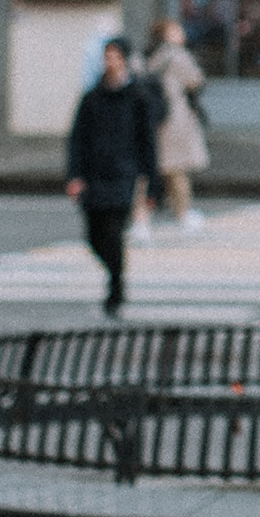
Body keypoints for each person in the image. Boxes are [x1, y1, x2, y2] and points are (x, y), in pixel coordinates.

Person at [66, 37, 158, 315]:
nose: (110, 61)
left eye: (116, 56)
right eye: (107, 56)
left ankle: (116, 287)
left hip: (123, 173)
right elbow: (77, 138)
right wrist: (75, 174)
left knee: (114, 231)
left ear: (125, 59)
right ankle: (114, 274)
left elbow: (147, 142)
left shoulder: (138, 97)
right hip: (94, 173)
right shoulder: (92, 97)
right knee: (93, 234)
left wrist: (153, 184)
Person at [148, 19, 209, 226]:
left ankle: (156, 210)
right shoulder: (177, 55)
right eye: (176, 30)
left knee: (166, 167)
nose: (181, 33)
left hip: (158, 115)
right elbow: (196, 80)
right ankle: (183, 213)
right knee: (178, 168)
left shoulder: (153, 54)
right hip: (176, 116)